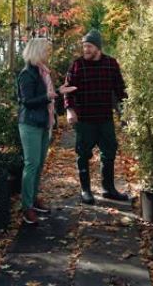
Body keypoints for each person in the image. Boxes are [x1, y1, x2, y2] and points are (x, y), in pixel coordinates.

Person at [64, 30, 129, 204]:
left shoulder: (111, 64)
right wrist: (70, 110)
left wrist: (125, 112)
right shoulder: (77, 65)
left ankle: (108, 188)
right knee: (83, 153)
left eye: (89, 46)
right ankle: (85, 190)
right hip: (84, 119)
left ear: (98, 48)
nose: (85, 49)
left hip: (105, 118)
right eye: (84, 46)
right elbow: (68, 90)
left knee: (109, 152)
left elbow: (120, 90)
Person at [17, 37, 76, 224]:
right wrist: (48, 96)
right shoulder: (27, 74)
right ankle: (26, 207)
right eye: (46, 51)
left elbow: (47, 96)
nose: (48, 55)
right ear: (37, 52)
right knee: (31, 165)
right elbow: (26, 101)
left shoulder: (42, 72)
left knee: (39, 164)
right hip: (30, 124)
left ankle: (33, 199)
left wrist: (58, 91)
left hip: (43, 122)